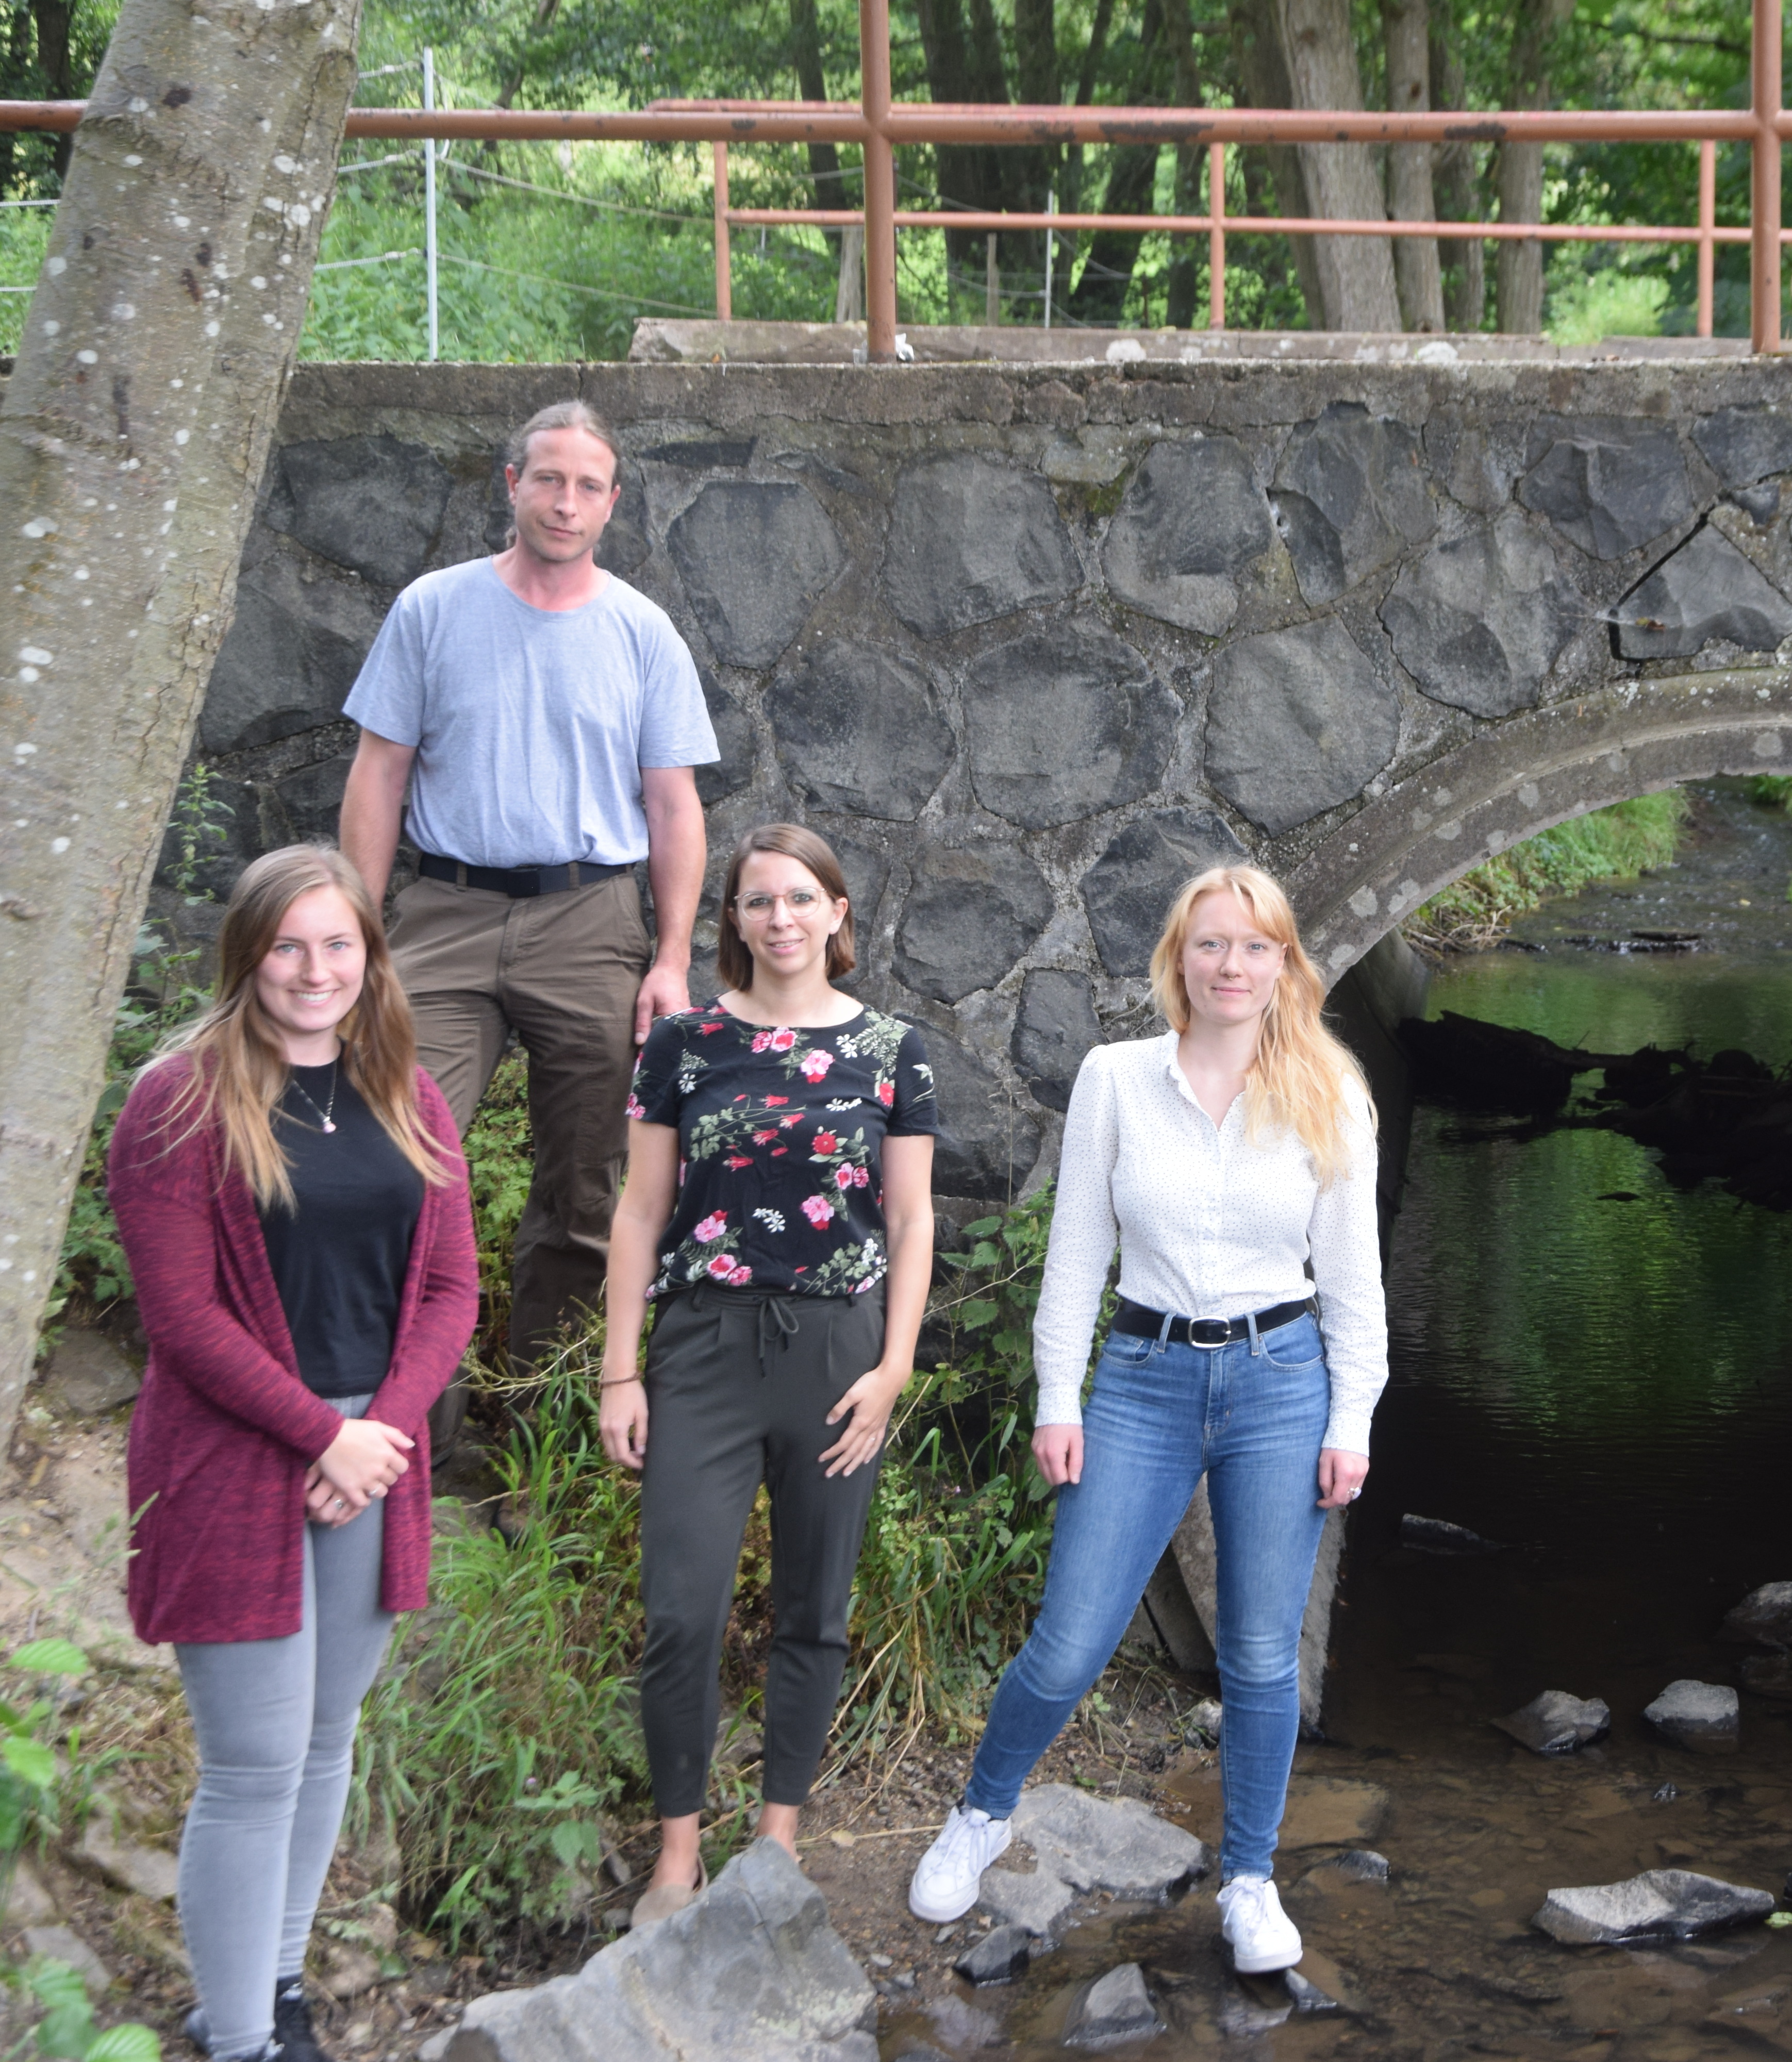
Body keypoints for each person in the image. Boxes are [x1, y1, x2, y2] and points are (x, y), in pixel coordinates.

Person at [905, 864, 1384, 1975]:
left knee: (1262, 1653)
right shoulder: (1117, 1078)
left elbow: (1353, 1280)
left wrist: (1349, 1416)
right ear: (1178, 958)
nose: (1232, 966)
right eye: (1212, 944)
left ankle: (1251, 1879)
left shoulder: (1329, 1089)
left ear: (1284, 964)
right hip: (1142, 1377)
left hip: (1281, 1379)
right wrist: (1058, 1397)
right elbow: (1076, 1253)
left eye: (1256, 946)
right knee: (1072, 1636)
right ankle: (981, 1812)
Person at [106, 844, 479, 2062]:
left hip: (374, 1452)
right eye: (288, 945)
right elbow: (184, 1319)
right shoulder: (178, 1099)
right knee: (255, 1763)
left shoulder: (405, 1092)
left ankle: (276, 1988)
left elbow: (449, 1288)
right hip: (235, 1460)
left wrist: (378, 1434)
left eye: (339, 944)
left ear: (370, 956)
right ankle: (235, 2036)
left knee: (328, 1743)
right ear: (247, 953)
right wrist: (325, 1431)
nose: (315, 970)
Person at [599, 823, 939, 1925]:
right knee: (682, 1611)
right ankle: (677, 1853)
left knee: (814, 1605)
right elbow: (642, 1210)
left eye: (802, 897)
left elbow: (910, 1213)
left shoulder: (893, 1048)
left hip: (838, 1350)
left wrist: (894, 1365)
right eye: (757, 900)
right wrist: (621, 1372)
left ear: (839, 912)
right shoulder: (685, 1045)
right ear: (732, 918)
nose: (780, 917)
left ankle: (779, 1835)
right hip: (701, 1347)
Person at [338, 398, 715, 1374]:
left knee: (586, 1190)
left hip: (590, 920)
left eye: (588, 486)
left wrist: (672, 958)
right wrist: (353, 928)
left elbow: (673, 809)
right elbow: (379, 772)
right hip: (443, 912)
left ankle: (536, 1422)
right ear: (513, 486)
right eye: (548, 479)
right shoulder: (433, 608)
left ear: (612, 504)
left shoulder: (643, 634)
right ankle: (417, 1420)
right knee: (395, 1153)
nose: (565, 501)